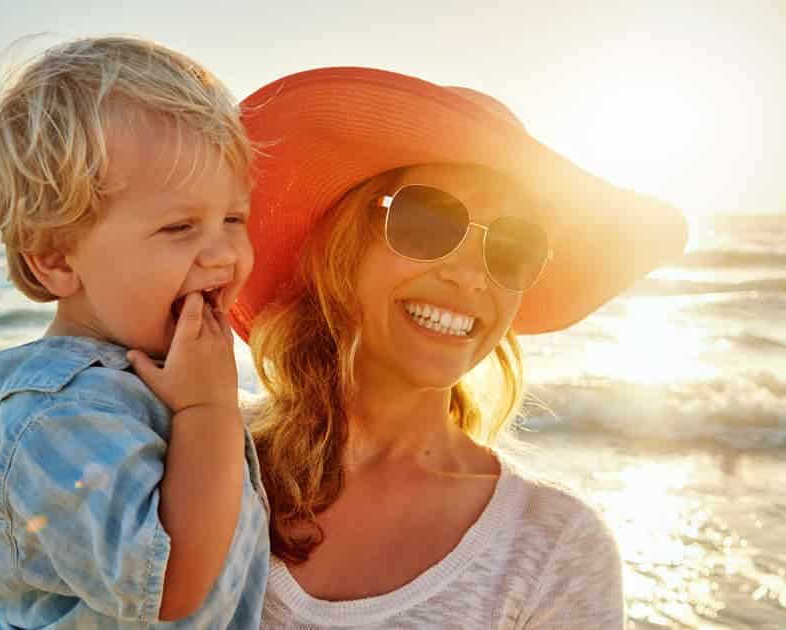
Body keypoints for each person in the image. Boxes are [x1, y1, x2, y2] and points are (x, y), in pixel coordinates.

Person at [229, 67, 688, 628]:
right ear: (343, 246)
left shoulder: (553, 548)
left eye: (515, 247)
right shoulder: (199, 454)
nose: (472, 278)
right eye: (429, 221)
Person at [0, 36, 269, 628]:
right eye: (180, 226)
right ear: (57, 259)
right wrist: (208, 409)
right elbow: (170, 587)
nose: (223, 254)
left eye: (234, 218)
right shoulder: (59, 417)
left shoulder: (154, 381)